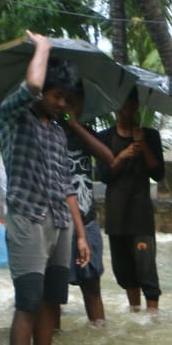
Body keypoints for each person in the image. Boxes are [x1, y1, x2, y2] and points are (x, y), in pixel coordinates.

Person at [0, 31, 89, 345]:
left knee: (52, 301)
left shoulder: (57, 134)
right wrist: (44, 47)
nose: (62, 103)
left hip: (60, 223)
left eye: (66, 98)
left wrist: (80, 235)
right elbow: (33, 87)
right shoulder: (13, 116)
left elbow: (66, 187)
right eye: (56, 95)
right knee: (28, 301)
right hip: (27, 219)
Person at [97, 89, 164, 312]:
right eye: (121, 105)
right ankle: (135, 312)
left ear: (136, 106)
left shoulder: (150, 135)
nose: (125, 110)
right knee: (124, 272)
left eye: (129, 104)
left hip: (141, 216)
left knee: (147, 270)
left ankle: (152, 315)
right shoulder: (105, 137)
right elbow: (103, 175)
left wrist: (143, 145)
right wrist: (122, 156)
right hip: (116, 216)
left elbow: (158, 173)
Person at [55, 89, 113, 326]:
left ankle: (99, 333)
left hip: (87, 221)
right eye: (67, 101)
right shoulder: (49, 132)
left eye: (76, 102)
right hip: (57, 222)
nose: (71, 107)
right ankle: (53, 341)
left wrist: (76, 126)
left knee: (92, 285)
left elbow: (107, 156)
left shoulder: (84, 133)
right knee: (54, 292)